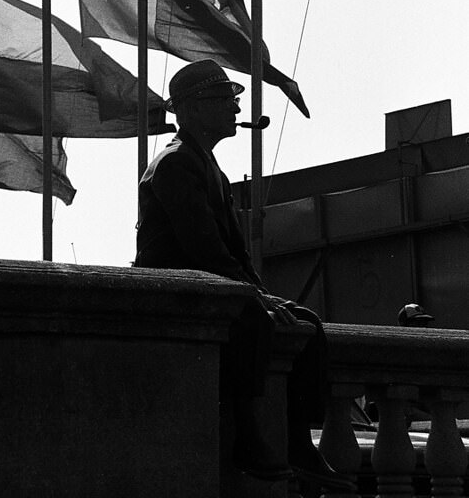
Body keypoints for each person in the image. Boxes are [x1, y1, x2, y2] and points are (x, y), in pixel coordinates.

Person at [136, 59, 351, 488]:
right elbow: (203, 248)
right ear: (191, 110)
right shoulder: (177, 163)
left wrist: (260, 291)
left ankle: (297, 443)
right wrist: (251, 296)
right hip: (176, 289)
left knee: (306, 324)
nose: (236, 110)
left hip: (207, 284)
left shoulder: (209, 168)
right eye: (224, 100)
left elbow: (231, 254)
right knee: (250, 317)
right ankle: (248, 436)